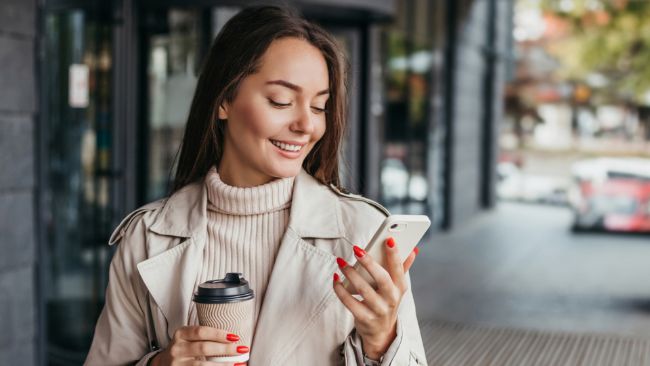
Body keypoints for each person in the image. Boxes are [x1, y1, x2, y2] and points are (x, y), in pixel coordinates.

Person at [85, 5, 427, 366]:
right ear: (224, 101)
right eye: (281, 101)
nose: (306, 126)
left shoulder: (362, 231)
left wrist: (382, 342)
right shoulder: (146, 237)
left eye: (319, 106)